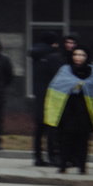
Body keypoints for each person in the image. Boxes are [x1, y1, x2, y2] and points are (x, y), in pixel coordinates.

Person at [43, 45, 93, 175]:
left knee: (83, 140)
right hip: (67, 108)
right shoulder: (65, 70)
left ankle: (82, 166)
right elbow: (56, 87)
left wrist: (83, 86)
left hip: (85, 110)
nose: (78, 58)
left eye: (82, 55)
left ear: (87, 57)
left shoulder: (92, 71)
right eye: (76, 55)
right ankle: (63, 165)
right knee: (65, 139)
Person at [29, 32, 76, 168]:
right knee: (52, 128)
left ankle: (38, 157)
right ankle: (53, 156)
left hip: (39, 95)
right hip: (52, 96)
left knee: (39, 128)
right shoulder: (54, 57)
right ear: (54, 44)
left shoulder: (37, 56)